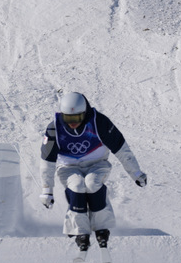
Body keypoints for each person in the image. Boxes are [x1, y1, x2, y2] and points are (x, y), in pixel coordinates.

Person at [39, 92, 147, 252]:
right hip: (68, 167)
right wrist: (47, 190)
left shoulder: (99, 122)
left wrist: (136, 173)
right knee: (76, 185)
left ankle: (101, 227)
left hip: (97, 163)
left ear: (85, 113)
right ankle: (79, 231)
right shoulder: (54, 128)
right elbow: (47, 161)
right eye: (69, 119)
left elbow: (121, 148)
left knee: (92, 183)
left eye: (77, 118)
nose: (73, 123)